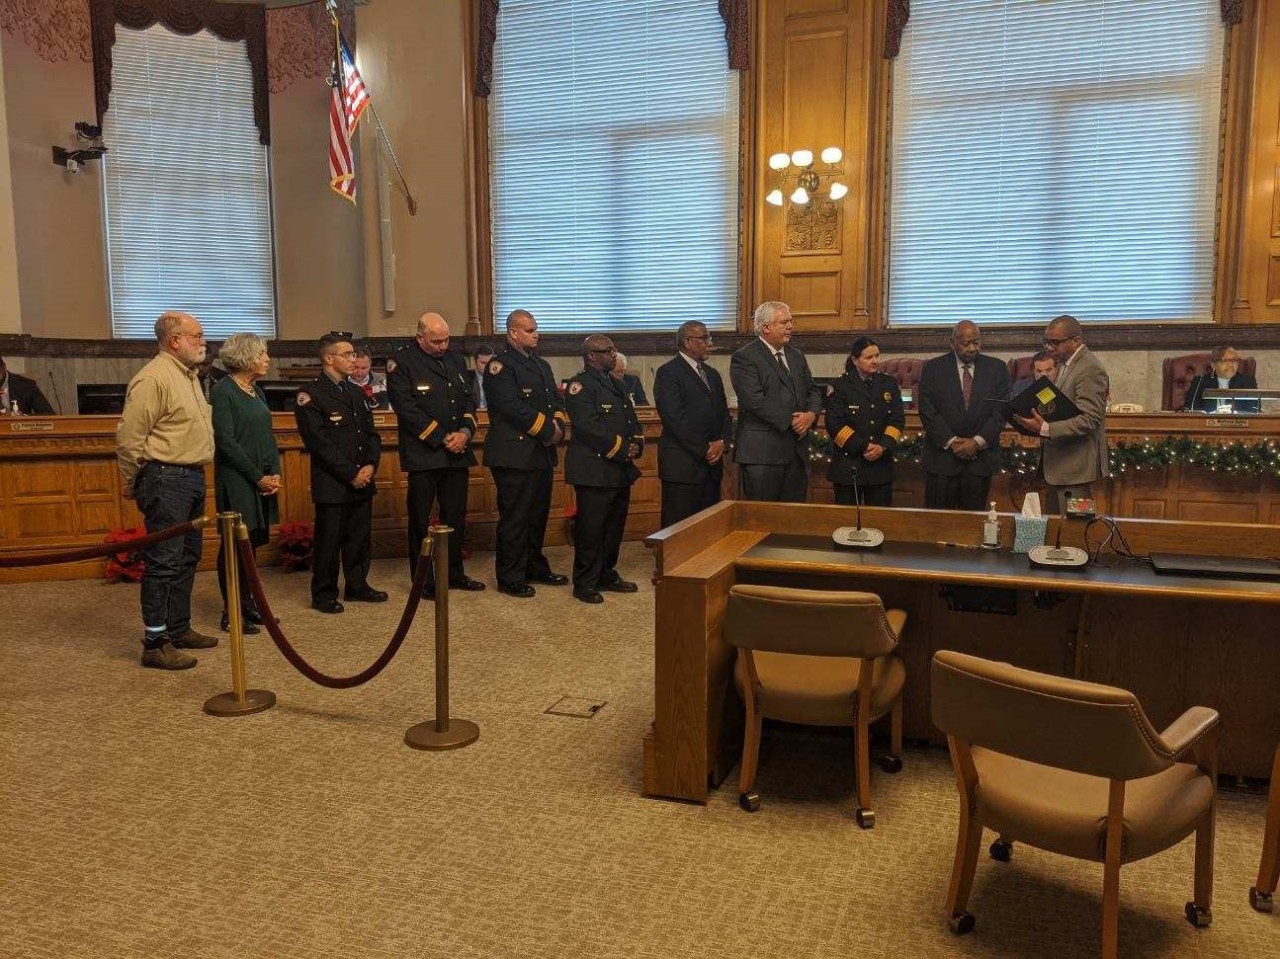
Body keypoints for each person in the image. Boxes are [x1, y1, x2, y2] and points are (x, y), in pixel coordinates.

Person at [116, 311, 218, 669]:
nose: (204, 341)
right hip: (165, 477)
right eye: (198, 335)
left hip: (190, 476)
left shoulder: (188, 376)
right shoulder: (153, 378)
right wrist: (133, 482)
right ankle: (155, 642)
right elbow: (129, 439)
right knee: (163, 561)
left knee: (187, 557)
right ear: (175, 340)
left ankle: (179, 628)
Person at [386, 312, 485, 598]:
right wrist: (443, 437)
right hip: (424, 454)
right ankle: (422, 579)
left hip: (457, 452)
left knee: (455, 517)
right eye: (436, 341)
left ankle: (454, 573)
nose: (442, 346)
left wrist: (465, 432)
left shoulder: (455, 360)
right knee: (421, 520)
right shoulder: (402, 363)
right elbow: (406, 408)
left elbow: (469, 399)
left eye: (446, 340)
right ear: (420, 337)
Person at [294, 333, 387, 613]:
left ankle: (357, 585)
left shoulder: (355, 392)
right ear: (329, 358)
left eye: (354, 355)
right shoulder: (311, 394)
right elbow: (319, 445)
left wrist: (371, 465)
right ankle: (324, 593)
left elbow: (370, 435)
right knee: (330, 541)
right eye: (347, 355)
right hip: (334, 482)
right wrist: (351, 473)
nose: (354, 360)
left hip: (362, 479)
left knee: (359, 537)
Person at [483, 311, 569, 598]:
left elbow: (556, 399)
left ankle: (534, 566)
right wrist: (548, 430)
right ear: (513, 333)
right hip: (513, 454)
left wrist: (558, 424)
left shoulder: (541, 365)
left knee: (537, 515)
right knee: (516, 517)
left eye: (536, 329)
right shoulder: (500, 366)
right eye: (530, 330)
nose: (536, 334)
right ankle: (510, 575)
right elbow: (510, 406)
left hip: (539, 454)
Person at [563, 334, 643, 604]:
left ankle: (606, 573)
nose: (613, 354)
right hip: (593, 468)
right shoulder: (579, 386)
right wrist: (621, 447)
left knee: (614, 527)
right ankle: (585, 582)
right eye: (607, 351)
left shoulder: (616, 384)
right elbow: (588, 426)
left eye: (613, 349)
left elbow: (631, 418)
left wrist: (636, 444)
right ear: (591, 356)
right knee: (591, 528)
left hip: (619, 469)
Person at [210, 333, 281, 635]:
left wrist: (274, 472)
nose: (267, 359)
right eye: (263, 353)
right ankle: (232, 611)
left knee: (252, 544)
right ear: (246, 356)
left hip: (262, 477)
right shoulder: (222, 391)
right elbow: (225, 441)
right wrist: (257, 477)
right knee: (236, 544)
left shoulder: (256, 390)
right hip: (239, 478)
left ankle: (250, 605)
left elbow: (268, 434)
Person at [1013, 314, 1110, 511]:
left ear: (1076, 341)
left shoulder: (1090, 368)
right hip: (1060, 469)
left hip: (1076, 472)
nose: (1049, 348)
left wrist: (1046, 428)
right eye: (1047, 342)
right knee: (1056, 533)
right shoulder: (1066, 365)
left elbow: (1090, 419)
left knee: (1074, 532)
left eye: (1055, 343)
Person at [729, 301, 822, 502]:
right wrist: (793, 420)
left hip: (796, 454)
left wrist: (811, 415)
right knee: (763, 519)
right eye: (784, 322)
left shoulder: (796, 355)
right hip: (762, 455)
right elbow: (754, 400)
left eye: (790, 321)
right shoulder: (744, 357)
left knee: (792, 519)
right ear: (766, 328)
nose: (790, 326)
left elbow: (813, 390)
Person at [917, 320, 1010, 511]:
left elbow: (1001, 412)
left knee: (973, 527)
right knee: (939, 525)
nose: (972, 348)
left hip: (980, 461)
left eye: (976, 342)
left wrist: (976, 442)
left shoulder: (997, 368)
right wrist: (952, 442)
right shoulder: (933, 368)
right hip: (942, 461)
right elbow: (927, 411)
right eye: (966, 343)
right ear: (952, 342)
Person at [653, 321, 730, 527]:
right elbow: (674, 418)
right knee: (679, 529)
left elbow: (723, 412)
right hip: (683, 466)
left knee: (707, 527)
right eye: (704, 338)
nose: (709, 343)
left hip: (711, 467)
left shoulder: (712, 374)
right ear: (687, 342)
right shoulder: (668, 373)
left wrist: (723, 441)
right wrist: (705, 448)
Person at [824, 337, 904, 507]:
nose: (875, 361)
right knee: (847, 523)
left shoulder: (889, 384)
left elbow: (897, 420)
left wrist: (882, 446)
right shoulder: (839, 386)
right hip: (849, 466)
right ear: (854, 360)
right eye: (868, 357)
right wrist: (864, 447)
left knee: (879, 522)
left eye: (877, 356)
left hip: (880, 467)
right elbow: (834, 425)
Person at [1183, 345, 1259, 413]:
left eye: (1234, 361)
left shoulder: (1248, 382)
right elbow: (1190, 409)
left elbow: (1254, 411)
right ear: (1213, 365)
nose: (1230, 365)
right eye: (1225, 361)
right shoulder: (1200, 381)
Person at [472, 344, 496, 410]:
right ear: (475, 362)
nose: (486, 367)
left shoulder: (499, 379)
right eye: (483, 363)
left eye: (489, 363)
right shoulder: (467, 378)